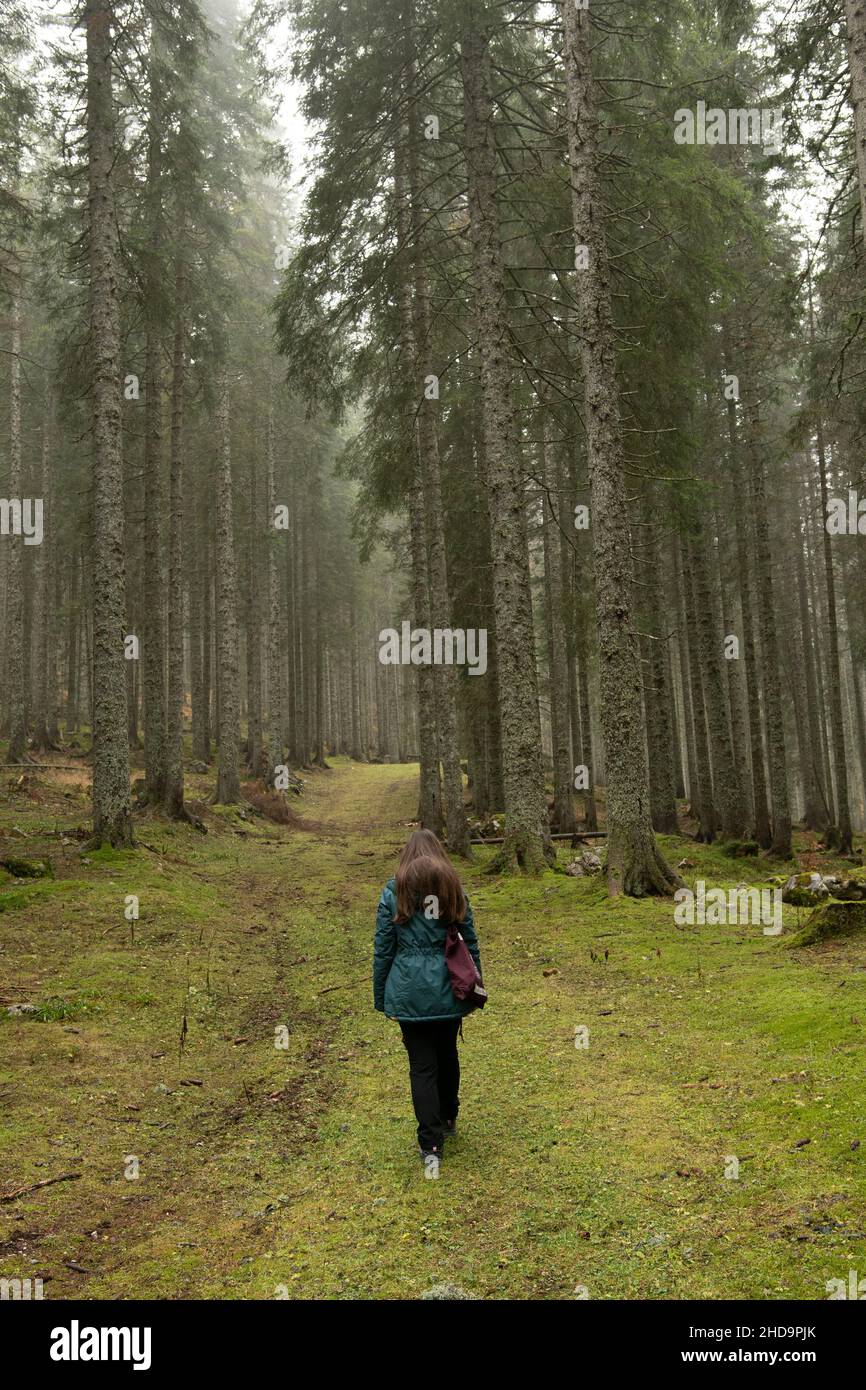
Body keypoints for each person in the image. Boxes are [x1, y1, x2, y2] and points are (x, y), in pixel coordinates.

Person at [373, 828, 482, 1174]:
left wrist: (382, 996)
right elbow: (470, 942)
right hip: (448, 986)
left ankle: (431, 1143)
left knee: (422, 1067)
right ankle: (448, 1116)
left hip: (409, 992)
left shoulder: (395, 891)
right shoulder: (452, 887)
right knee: (447, 1053)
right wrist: (475, 983)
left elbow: (383, 949)